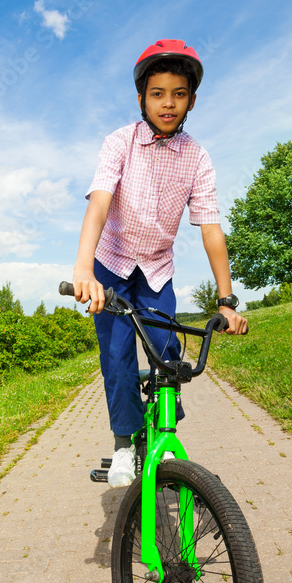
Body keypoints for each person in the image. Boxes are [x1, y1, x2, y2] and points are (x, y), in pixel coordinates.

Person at [72, 39, 248, 487]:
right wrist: (83, 269)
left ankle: (163, 430)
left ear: (190, 99)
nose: (168, 103)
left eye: (179, 93)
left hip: (154, 270)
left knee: (169, 353)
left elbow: (210, 227)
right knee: (117, 357)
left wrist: (227, 300)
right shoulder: (120, 142)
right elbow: (99, 202)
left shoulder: (197, 157)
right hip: (110, 265)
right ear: (141, 98)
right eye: (157, 93)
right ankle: (125, 443)